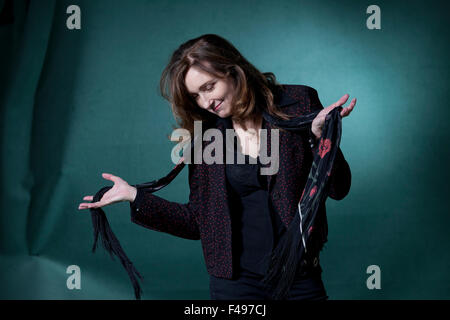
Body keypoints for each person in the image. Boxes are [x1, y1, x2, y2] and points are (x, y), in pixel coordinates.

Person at [78, 34, 356, 300]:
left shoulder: (298, 102)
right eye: (195, 96)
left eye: (208, 87)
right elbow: (197, 221)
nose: (205, 102)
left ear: (234, 71)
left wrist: (318, 138)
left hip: (298, 273)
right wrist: (134, 196)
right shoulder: (206, 137)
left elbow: (338, 188)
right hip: (235, 283)